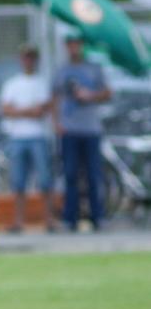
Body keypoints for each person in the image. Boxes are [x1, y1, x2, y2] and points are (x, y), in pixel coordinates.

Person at [52, 34, 111, 231]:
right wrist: (56, 123)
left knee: (94, 174)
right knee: (70, 174)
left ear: (82, 46)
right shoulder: (62, 71)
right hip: (69, 130)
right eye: (70, 44)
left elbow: (107, 92)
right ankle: (71, 219)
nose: (73, 48)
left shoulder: (94, 69)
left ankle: (97, 217)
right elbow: (55, 98)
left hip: (91, 129)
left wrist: (91, 95)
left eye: (77, 44)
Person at [0, 44, 54, 232]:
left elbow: (42, 110)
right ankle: (18, 221)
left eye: (32, 57)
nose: (28, 61)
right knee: (18, 180)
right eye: (25, 57)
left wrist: (19, 110)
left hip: (38, 136)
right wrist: (28, 110)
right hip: (18, 137)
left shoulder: (41, 83)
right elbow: (6, 109)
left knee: (45, 179)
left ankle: (48, 219)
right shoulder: (12, 84)